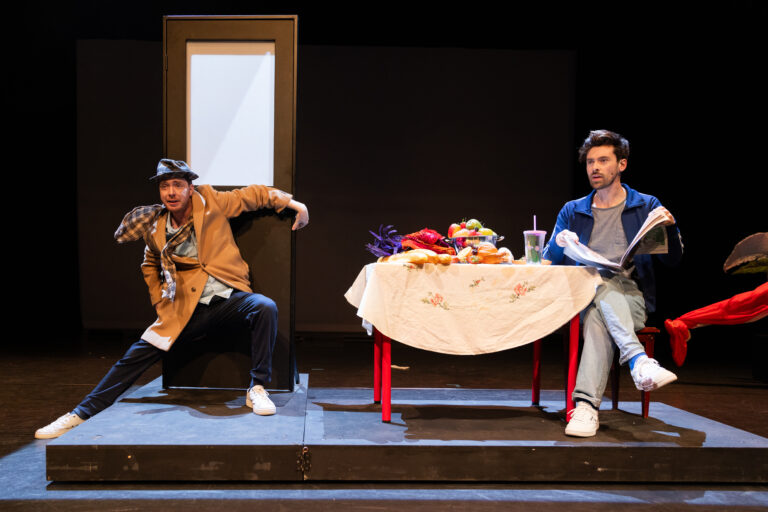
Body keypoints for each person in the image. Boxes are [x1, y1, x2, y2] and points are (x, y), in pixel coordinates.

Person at [35, 159, 309, 439]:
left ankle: (257, 388)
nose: (171, 192)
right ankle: (80, 413)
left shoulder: (212, 201)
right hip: (185, 310)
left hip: (228, 298)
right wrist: (160, 303)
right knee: (134, 357)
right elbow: (149, 264)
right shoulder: (155, 226)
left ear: (190, 188)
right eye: (165, 186)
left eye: (178, 185)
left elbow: (255, 195)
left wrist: (296, 205)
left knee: (264, 307)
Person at [543, 130, 683, 437]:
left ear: (621, 165)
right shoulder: (574, 209)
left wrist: (670, 232)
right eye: (591, 161)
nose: (595, 167)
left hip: (631, 298)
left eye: (603, 160)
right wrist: (560, 242)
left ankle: (585, 409)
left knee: (599, 309)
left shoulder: (645, 205)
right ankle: (639, 361)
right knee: (595, 286)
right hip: (582, 296)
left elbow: (672, 262)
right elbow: (547, 259)